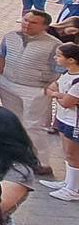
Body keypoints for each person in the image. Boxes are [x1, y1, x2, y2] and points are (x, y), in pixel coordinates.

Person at [0, 9, 63, 175]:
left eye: (33, 22)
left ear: (45, 26)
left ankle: (41, 162)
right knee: (12, 122)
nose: (27, 24)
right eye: (25, 20)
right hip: (8, 85)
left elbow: (61, 69)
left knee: (34, 126)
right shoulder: (10, 36)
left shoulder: (54, 45)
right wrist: (1, 76)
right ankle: (14, 155)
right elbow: (1, 55)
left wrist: (50, 86)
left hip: (36, 89)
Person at [43, 42, 79, 201]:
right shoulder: (67, 73)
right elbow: (53, 86)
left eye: (59, 56)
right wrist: (59, 94)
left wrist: (56, 94)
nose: (55, 58)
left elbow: (67, 102)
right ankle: (68, 182)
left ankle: (73, 189)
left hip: (74, 121)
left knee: (73, 154)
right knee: (67, 152)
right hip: (64, 118)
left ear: (71, 60)